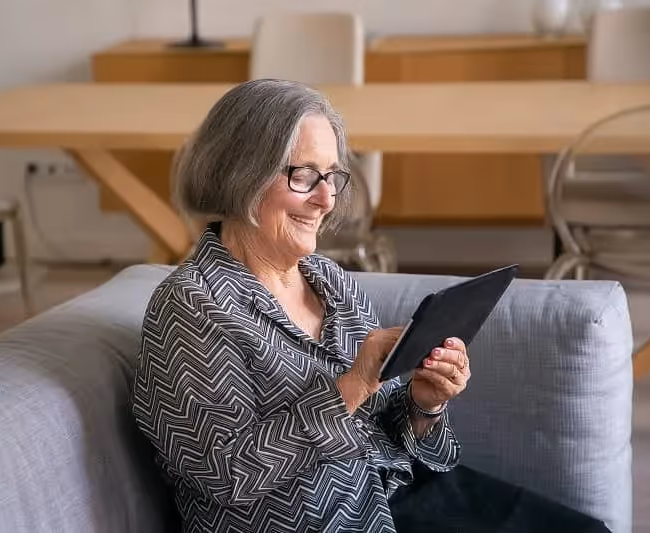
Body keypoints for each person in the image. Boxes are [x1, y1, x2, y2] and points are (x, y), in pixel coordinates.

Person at [132, 79, 610, 533]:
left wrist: (427, 403)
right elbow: (225, 475)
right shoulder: (192, 307)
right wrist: (352, 385)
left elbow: (387, 428)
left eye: (332, 177)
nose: (325, 199)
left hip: (395, 497)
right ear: (239, 175)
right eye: (303, 176)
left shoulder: (331, 282)